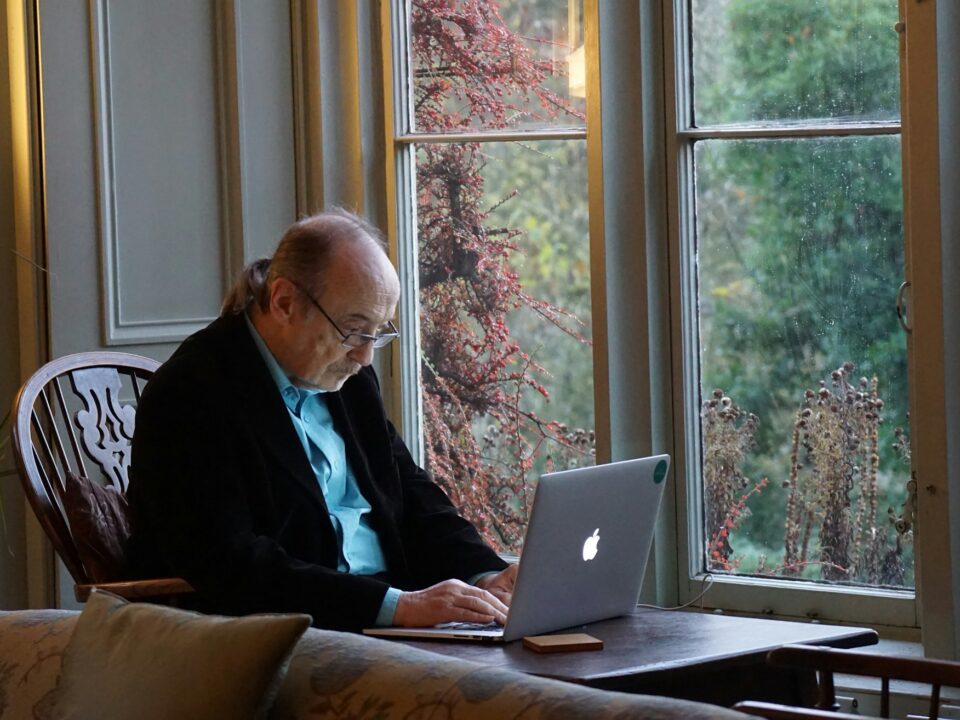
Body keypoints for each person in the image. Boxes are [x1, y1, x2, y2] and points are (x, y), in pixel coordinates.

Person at [127, 209, 517, 632]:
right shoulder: (190, 394)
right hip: (289, 636)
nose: (366, 356)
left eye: (377, 332)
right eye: (353, 330)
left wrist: (486, 574)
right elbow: (233, 565)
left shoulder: (348, 378)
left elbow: (408, 491)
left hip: (392, 621)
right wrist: (397, 607)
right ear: (284, 303)